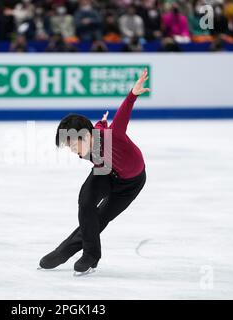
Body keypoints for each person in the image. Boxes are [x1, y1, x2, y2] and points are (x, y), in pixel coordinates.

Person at [39, 69, 150, 275]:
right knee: (86, 201)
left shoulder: (112, 136)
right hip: (105, 171)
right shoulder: (91, 137)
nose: (73, 151)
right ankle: (87, 254)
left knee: (100, 217)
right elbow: (97, 126)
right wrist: (101, 122)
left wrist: (132, 94)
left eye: (73, 145)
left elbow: (122, 116)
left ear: (86, 136)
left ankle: (70, 252)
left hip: (131, 183)